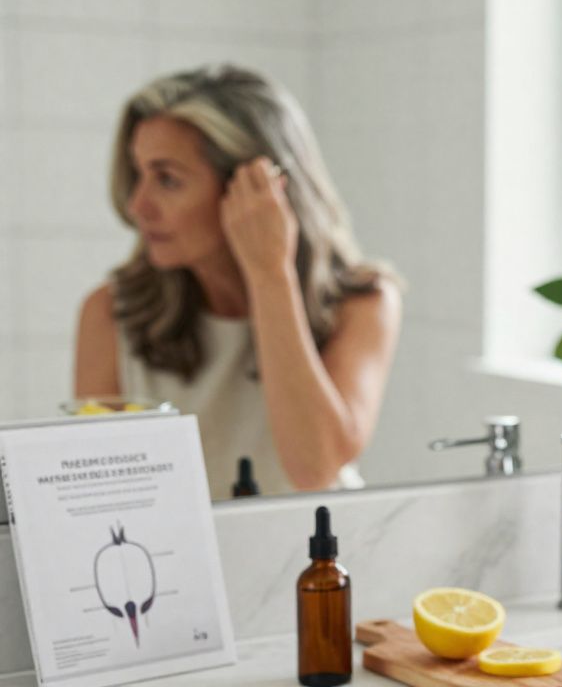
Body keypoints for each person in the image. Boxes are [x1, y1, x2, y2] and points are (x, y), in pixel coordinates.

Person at [75, 64, 402, 500]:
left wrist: (269, 274)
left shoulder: (363, 302)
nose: (138, 205)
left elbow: (314, 469)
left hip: (316, 544)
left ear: (253, 189)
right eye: (139, 175)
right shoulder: (109, 313)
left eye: (167, 179)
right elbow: (100, 497)